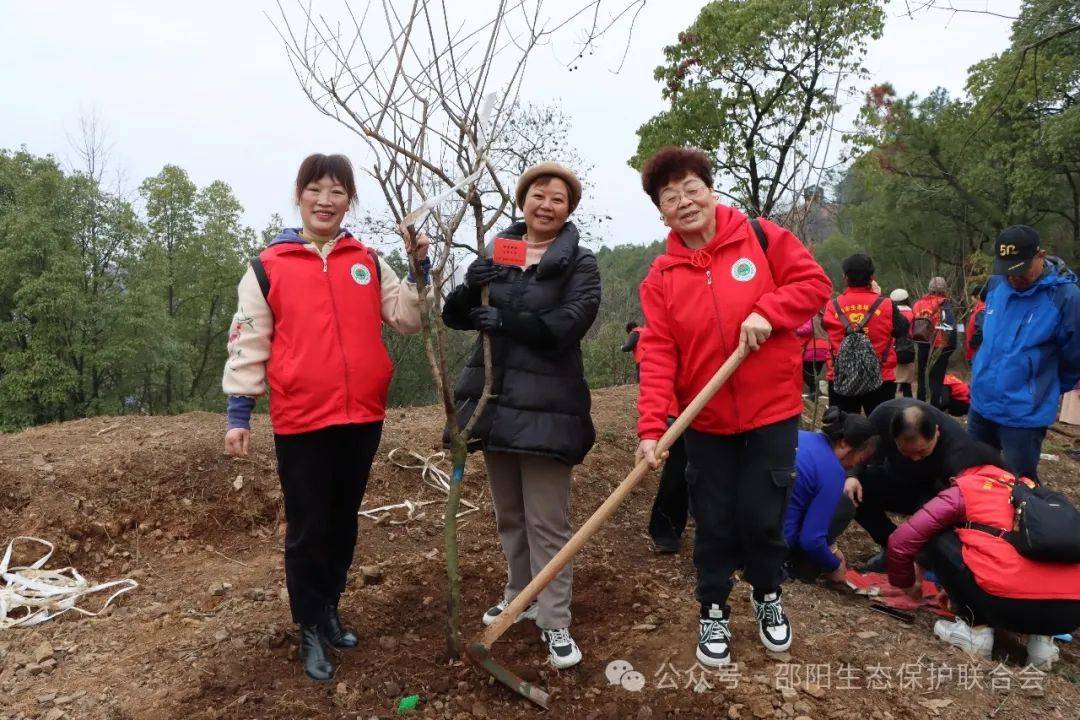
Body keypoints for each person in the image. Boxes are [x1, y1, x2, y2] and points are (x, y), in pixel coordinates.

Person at [222, 153, 430, 682]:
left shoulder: (367, 260)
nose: (325, 200)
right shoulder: (268, 266)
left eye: (337, 191)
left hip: (362, 416)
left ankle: (331, 607)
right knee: (308, 526)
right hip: (302, 419)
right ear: (300, 196)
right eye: (315, 189)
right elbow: (248, 341)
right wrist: (239, 413)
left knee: (343, 520)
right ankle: (309, 626)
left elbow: (407, 318)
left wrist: (419, 269)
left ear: (349, 201)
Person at [634, 146, 831, 667]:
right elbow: (658, 352)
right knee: (714, 519)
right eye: (670, 196)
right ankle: (713, 607)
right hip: (705, 418)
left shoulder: (761, 237)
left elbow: (814, 284)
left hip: (772, 410)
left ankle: (767, 593)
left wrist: (770, 309)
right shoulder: (662, 276)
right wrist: (651, 428)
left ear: (710, 190)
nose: (684, 201)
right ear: (661, 213)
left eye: (692, 188)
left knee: (763, 515)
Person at [442, 162, 599, 670]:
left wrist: (509, 321)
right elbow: (455, 316)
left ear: (568, 210)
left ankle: (554, 619)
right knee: (509, 514)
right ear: (523, 200)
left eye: (558, 198)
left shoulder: (580, 263)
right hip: (494, 402)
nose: (546, 205)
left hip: (549, 407)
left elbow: (570, 323)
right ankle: (519, 594)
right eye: (538, 195)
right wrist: (470, 286)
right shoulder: (499, 251)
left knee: (547, 521)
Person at [887, 442, 1080, 669]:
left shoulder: (967, 487)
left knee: (936, 534)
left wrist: (907, 583)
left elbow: (902, 539)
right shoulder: (1032, 490)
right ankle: (1042, 644)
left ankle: (974, 631)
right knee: (1032, 550)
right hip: (1069, 613)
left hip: (1004, 603)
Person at [968, 225, 1080, 484]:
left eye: (1021, 270)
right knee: (973, 478)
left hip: (1023, 416)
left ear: (1040, 256)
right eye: (1007, 271)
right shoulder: (996, 284)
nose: (1014, 278)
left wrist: (1039, 389)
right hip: (982, 404)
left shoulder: (1066, 297)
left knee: (1020, 485)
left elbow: (1074, 359)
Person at [848, 398, 985, 572]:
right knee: (855, 490)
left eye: (922, 451)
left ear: (937, 433)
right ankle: (892, 547)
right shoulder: (883, 416)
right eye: (906, 452)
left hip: (935, 495)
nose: (915, 458)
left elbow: (961, 503)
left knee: (941, 521)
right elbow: (862, 450)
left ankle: (930, 560)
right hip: (896, 479)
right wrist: (852, 475)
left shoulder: (958, 450)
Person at [784, 407, 879, 583]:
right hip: (772, 543)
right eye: (860, 459)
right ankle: (794, 565)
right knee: (845, 504)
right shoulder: (832, 471)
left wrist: (831, 546)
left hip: (743, 522)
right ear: (844, 443)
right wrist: (833, 565)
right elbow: (811, 540)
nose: (855, 466)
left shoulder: (802, 436)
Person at [626, 323, 691, 554]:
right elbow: (655, 370)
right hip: (676, 410)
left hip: (713, 407)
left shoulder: (637, 335)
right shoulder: (651, 332)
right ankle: (666, 530)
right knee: (679, 471)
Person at [822, 254, 909, 414]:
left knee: (842, 427)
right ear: (872, 277)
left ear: (845, 277)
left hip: (841, 378)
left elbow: (825, 327)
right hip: (880, 378)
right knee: (880, 426)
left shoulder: (832, 306)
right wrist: (877, 295)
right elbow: (902, 329)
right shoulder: (886, 305)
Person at [911, 277, 957, 407]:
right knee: (936, 378)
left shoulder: (918, 304)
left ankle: (920, 404)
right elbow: (949, 327)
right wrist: (951, 347)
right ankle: (934, 406)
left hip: (922, 343)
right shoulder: (944, 304)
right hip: (939, 345)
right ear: (943, 290)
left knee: (922, 376)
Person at [796, 311, 829, 399]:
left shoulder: (811, 317)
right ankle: (814, 393)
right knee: (814, 372)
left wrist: (795, 329)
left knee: (804, 371)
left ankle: (815, 390)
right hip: (825, 348)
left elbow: (807, 329)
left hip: (814, 349)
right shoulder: (824, 317)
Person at [890, 289, 916, 398]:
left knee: (891, 381)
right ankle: (908, 403)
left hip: (892, 349)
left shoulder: (891, 313)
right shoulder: (912, 313)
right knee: (906, 383)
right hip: (907, 348)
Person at [964, 283, 987, 364]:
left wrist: (972, 344)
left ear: (978, 297)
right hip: (976, 352)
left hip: (976, 353)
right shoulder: (980, 309)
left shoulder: (981, 311)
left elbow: (981, 330)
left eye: (972, 297)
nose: (972, 300)